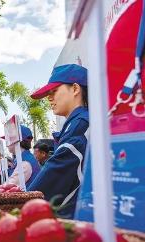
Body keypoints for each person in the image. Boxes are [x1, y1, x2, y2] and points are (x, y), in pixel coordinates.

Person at [28, 64, 89, 218]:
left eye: (54, 91)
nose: (49, 97)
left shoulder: (80, 126)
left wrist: (20, 203)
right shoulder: (78, 123)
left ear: (75, 89)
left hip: (75, 220)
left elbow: (49, 179)